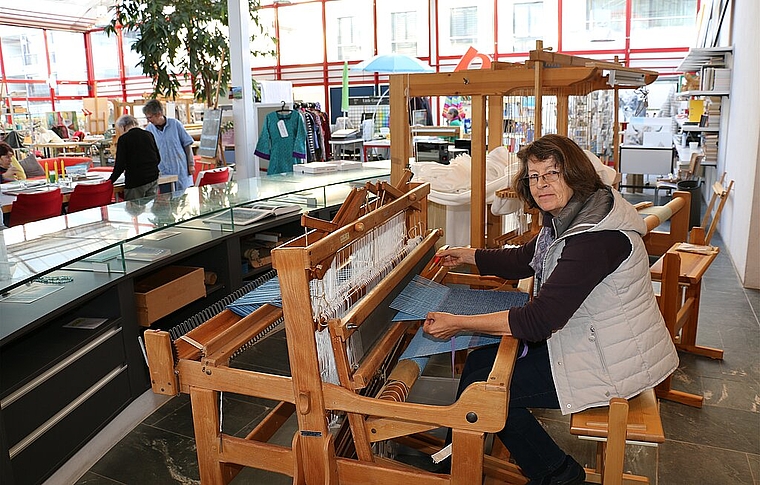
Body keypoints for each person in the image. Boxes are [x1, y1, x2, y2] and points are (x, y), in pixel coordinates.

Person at [425, 134, 678, 485]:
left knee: (489, 393)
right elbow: (526, 258)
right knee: (481, 366)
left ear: (574, 174)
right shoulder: (570, 215)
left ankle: (557, 473)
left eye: (552, 173)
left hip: (612, 362)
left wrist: (459, 323)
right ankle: (457, 454)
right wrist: (469, 255)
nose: (542, 184)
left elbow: (539, 320)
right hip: (593, 342)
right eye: (534, 176)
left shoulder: (595, 237)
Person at [142, 99, 195, 191]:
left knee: (184, 199)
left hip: (180, 169)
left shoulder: (175, 124)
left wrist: (191, 164)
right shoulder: (149, 130)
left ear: (158, 114)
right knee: (167, 199)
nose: (148, 120)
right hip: (163, 172)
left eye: (150, 117)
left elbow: (187, 145)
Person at [108, 114, 161, 201]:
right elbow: (158, 158)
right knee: (150, 209)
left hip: (136, 181)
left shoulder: (124, 139)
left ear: (123, 126)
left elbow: (120, 165)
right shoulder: (148, 134)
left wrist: (110, 181)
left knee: (134, 211)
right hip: (153, 178)